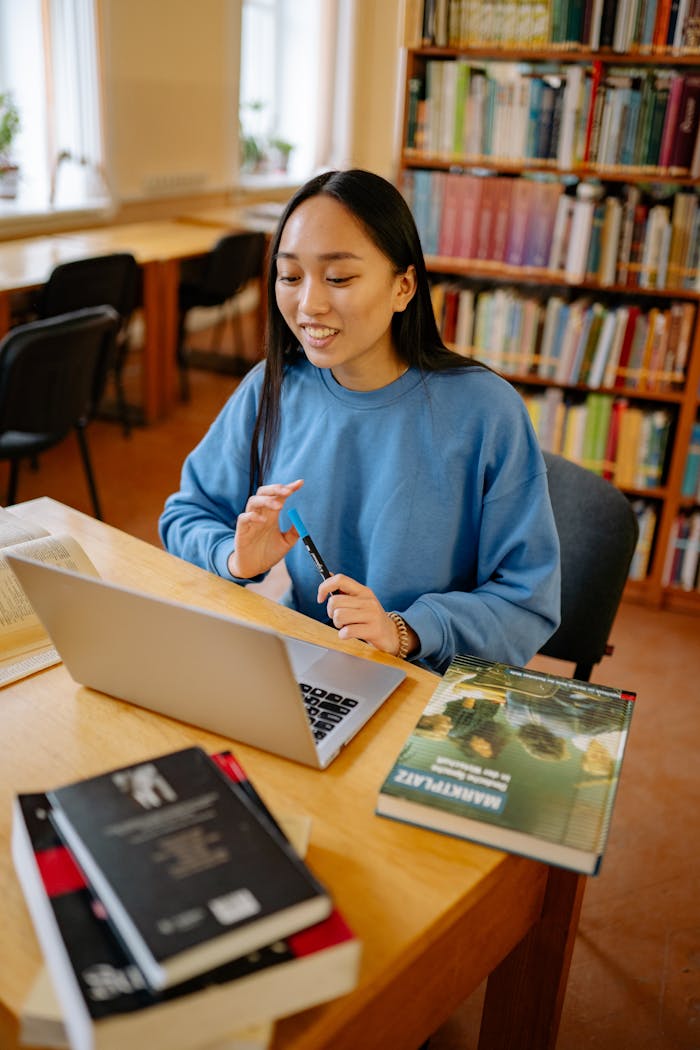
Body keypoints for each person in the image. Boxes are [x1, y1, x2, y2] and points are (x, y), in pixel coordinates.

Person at [159, 168, 561, 675]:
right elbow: (185, 515)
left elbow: (527, 600)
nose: (309, 304)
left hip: (424, 679)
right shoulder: (273, 387)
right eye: (290, 276)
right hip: (309, 661)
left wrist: (405, 630)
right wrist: (236, 559)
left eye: (339, 277)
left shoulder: (486, 412)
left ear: (403, 286)